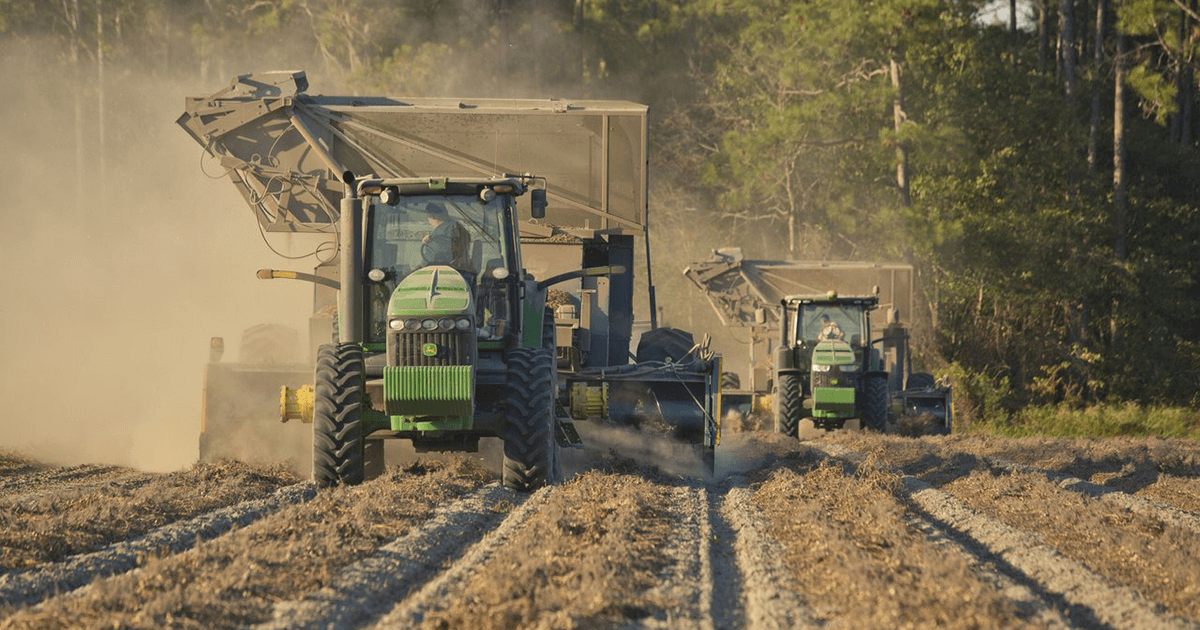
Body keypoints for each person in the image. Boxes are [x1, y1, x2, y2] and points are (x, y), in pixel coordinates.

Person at [418, 202, 469, 268]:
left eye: (428, 217)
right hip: (457, 267)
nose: (428, 221)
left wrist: (420, 268)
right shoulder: (456, 226)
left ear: (434, 216)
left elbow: (431, 258)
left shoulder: (442, 231)